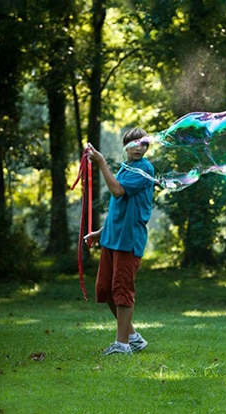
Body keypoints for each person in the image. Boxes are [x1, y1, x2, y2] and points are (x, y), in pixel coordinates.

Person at [84, 128, 155, 355]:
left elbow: (117, 191)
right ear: (125, 145)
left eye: (143, 144)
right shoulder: (126, 168)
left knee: (122, 291)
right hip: (112, 239)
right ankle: (133, 337)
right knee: (104, 289)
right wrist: (100, 233)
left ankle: (122, 345)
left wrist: (101, 162)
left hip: (128, 241)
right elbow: (121, 209)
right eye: (134, 143)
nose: (139, 147)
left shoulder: (145, 169)